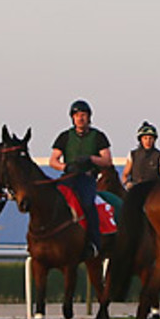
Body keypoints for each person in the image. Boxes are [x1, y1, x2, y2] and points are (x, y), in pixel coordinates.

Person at [49, 100, 113, 257]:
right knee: (52, 201)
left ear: (89, 117)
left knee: (87, 204)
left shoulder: (98, 136)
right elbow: (53, 160)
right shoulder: (65, 136)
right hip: (68, 177)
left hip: (86, 178)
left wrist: (91, 159)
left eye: (83, 115)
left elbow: (107, 160)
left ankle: (93, 242)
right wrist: (65, 167)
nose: (80, 118)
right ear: (72, 118)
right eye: (77, 115)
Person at [123, 121, 160, 187]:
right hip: (135, 188)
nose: (148, 141)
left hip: (153, 189)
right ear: (141, 139)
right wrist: (127, 183)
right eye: (145, 138)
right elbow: (125, 175)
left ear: (154, 140)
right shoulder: (132, 154)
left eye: (150, 138)